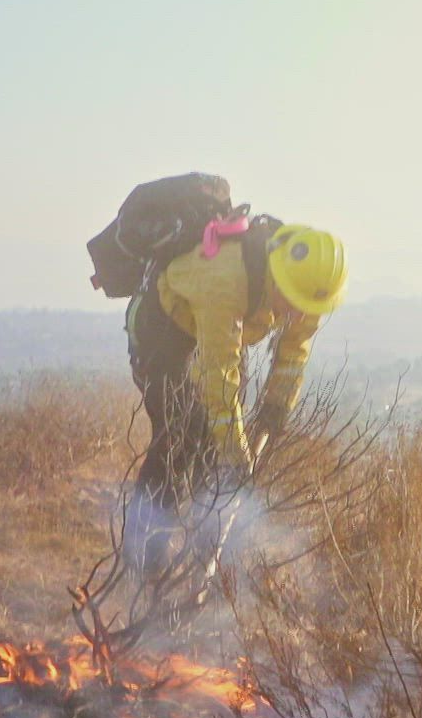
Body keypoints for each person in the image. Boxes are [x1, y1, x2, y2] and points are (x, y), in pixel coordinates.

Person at [125, 220, 348, 561]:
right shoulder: (225, 282)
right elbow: (219, 381)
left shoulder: (306, 290)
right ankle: (143, 554)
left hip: (222, 336)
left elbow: (293, 353)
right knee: (180, 438)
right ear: (277, 275)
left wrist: (277, 405)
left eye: (308, 307)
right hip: (165, 329)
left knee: (214, 450)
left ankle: (205, 552)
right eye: (293, 302)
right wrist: (238, 457)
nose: (299, 313)